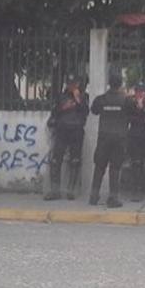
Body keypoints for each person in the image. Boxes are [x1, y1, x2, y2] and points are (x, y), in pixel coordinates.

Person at [45, 73, 88, 201]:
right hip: (62, 131)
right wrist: (64, 107)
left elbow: (86, 112)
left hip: (76, 131)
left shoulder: (83, 97)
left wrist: (78, 98)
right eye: (69, 84)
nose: (71, 86)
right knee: (55, 160)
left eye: (74, 84)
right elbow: (54, 113)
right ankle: (55, 190)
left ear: (78, 85)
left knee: (75, 160)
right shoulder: (61, 96)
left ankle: (71, 190)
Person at [89, 72, 128, 208]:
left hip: (104, 137)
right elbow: (134, 111)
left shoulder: (101, 99)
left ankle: (93, 196)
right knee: (115, 168)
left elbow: (93, 110)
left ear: (109, 83)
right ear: (120, 84)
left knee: (99, 166)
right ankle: (113, 198)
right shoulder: (126, 100)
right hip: (119, 138)